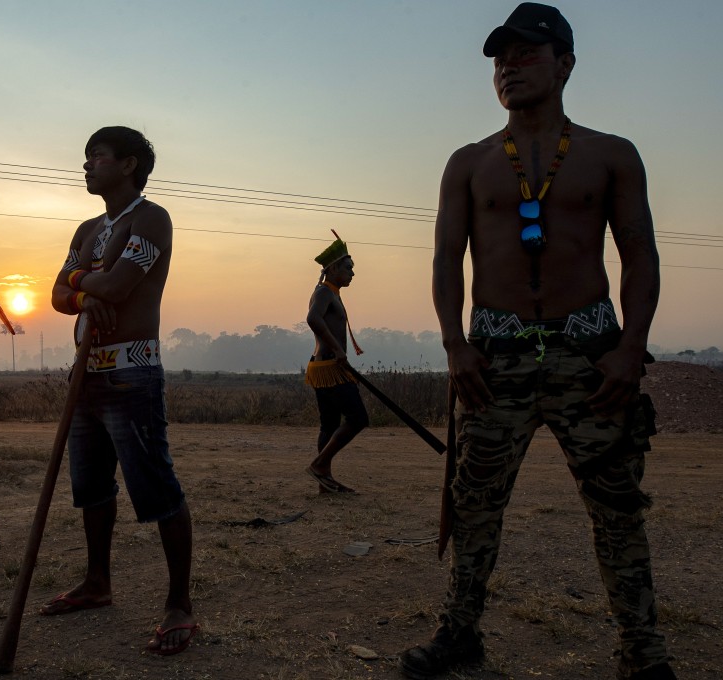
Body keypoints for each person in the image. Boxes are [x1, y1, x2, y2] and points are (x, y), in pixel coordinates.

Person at [399, 5, 675, 679]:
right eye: (500, 58)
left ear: (566, 64)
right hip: (495, 358)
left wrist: (631, 348)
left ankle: (641, 654)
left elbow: (640, 255)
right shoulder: (468, 163)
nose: (509, 67)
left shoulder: (611, 155)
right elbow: (445, 262)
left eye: (526, 54)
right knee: (476, 502)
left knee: (617, 508)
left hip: (592, 355)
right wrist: (455, 346)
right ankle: (460, 631)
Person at [44, 126, 198, 656]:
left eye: (97, 157)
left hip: (133, 373)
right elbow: (56, 294)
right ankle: (97, 582)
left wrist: (83, 284)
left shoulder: (150, 218)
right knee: (91, 487)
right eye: (85, 158)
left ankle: (179, 603)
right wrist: (85, 291)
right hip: (87, 374)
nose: (87, 166)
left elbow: (113, 286)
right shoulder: (87, 228)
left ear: (129, 164)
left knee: (155, 486)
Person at [304, 233, 369, 493]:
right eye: (348, 268)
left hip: (325, 367)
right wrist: (337, 348)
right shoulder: (323, 293)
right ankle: (320, 464)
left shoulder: (331, 293)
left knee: (329, 424)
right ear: (333, 269)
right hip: (330, 368)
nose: (352, 273)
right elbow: (312, 319)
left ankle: (324, 482)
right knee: (358, 418)